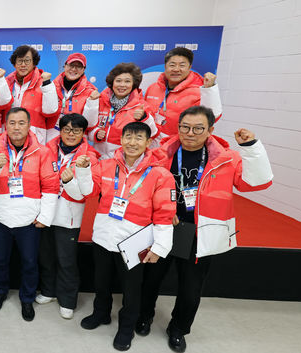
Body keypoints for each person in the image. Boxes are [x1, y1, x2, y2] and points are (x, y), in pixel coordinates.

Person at [136, 106, 272, 353]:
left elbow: (257, 182)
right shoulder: (160, 153)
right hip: (163, 228)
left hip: (200, 232)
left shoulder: (227, 159)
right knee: (150, 280)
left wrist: (251, 147)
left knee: (190, 289)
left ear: (210, 130)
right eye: (185, 127)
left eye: (198, 128)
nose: (190, 133)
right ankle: (144, 317)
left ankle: (178, 329)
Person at [75, 121, 176, 351]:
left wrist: (160, 247)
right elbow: (89, 191)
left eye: (138, 138)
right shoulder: (107, 165)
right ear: (121, 139)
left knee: (131, 289)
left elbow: (164, 214)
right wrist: (82, 170)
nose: (132, 142)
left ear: (148, 142)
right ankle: (100, 313)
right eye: (128, 137)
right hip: (103, 236)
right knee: (101, 281)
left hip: (134, 241)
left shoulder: (160, 174)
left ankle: (126, 327)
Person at [0, 107, 59, 322]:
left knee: (30, 262)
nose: (16, 127)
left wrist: (44, 217)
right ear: (5, 125)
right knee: (0, 259)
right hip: (0, 217)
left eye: (21, 123)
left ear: (29, 125)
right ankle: (0, 292)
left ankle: (27, 298)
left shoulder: (42, 152)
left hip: (28, 219)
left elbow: (51, 186)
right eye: (12, 123)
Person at [36, 113, 100, 319]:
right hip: (45, 213)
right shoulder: (46, 150)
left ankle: (67, 300)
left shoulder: (89, 157)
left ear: (83, 133)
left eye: (77, 130)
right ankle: (48, 291)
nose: (71, 134)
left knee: (67, 260)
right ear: (60, 130)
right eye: (67, 129)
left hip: (69, 216)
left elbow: (85, 192)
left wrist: (70, 181)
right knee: (46, 256)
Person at [144, 47, 222, 140]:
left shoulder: (199, 91)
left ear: (189, 67)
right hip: (151, 143)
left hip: (178, 146)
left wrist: (210, 89)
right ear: (165, 66)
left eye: (182, 65)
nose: (176, 69)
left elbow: (212, 117)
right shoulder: (153, 88)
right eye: (172, 65)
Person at [84, 63, 158, 159]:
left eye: (127, 81)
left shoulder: (141, 106)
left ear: (133, 84)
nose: (122, 85)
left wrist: (145, 118)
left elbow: (152, 134)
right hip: (97, 155)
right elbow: (87, 127)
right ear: (112, 82)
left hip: (124, 158)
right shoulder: (100, 100)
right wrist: (96, 134)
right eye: (118, 81)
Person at [5, 45, 59, 145]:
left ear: (34, 63)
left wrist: (47, 84)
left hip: (35, 140)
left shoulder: (44, 83)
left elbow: (51, 111)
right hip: (10, 138)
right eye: (20, 61)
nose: (23, 64)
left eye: (27, 61)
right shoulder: (7, 82)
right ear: (14, 63)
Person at [48, 53, 97, 141]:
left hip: (74, 139)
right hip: (51, 137)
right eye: (71, 65)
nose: (74, 69)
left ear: (83, 69)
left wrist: (93, 102)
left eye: (78, 66)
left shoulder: (91, 92)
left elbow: (89, 124)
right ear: (65, 66)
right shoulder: (51, 87)